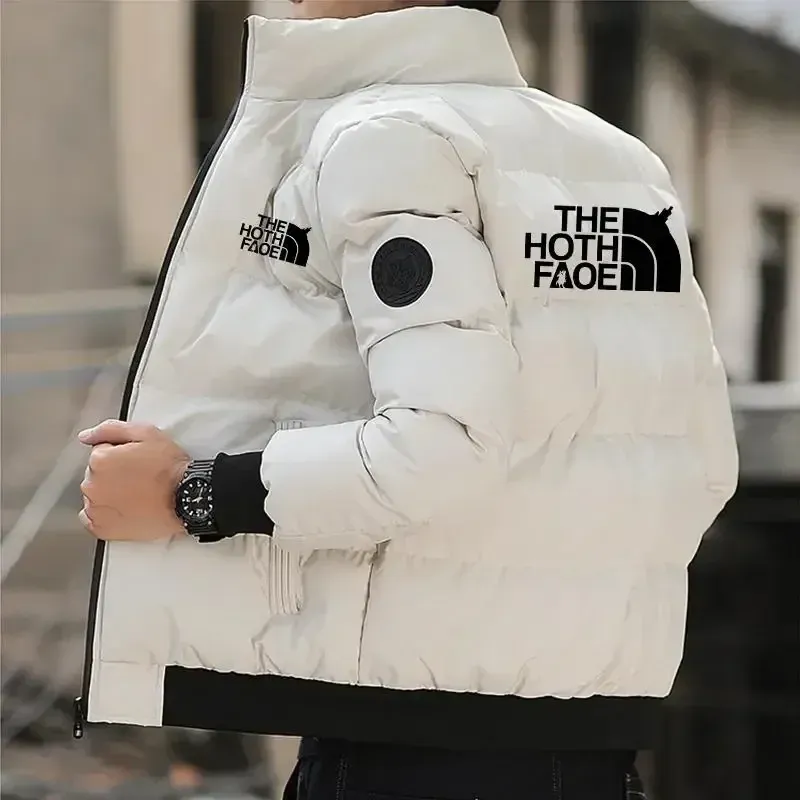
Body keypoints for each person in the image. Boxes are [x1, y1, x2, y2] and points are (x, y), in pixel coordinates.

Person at [75, 1, 739, 798]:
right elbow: (703, 464)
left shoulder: (388, 139)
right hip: (588, 740)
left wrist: (191, 493)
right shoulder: (618, 159)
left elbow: (438, 443)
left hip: (410, 746)